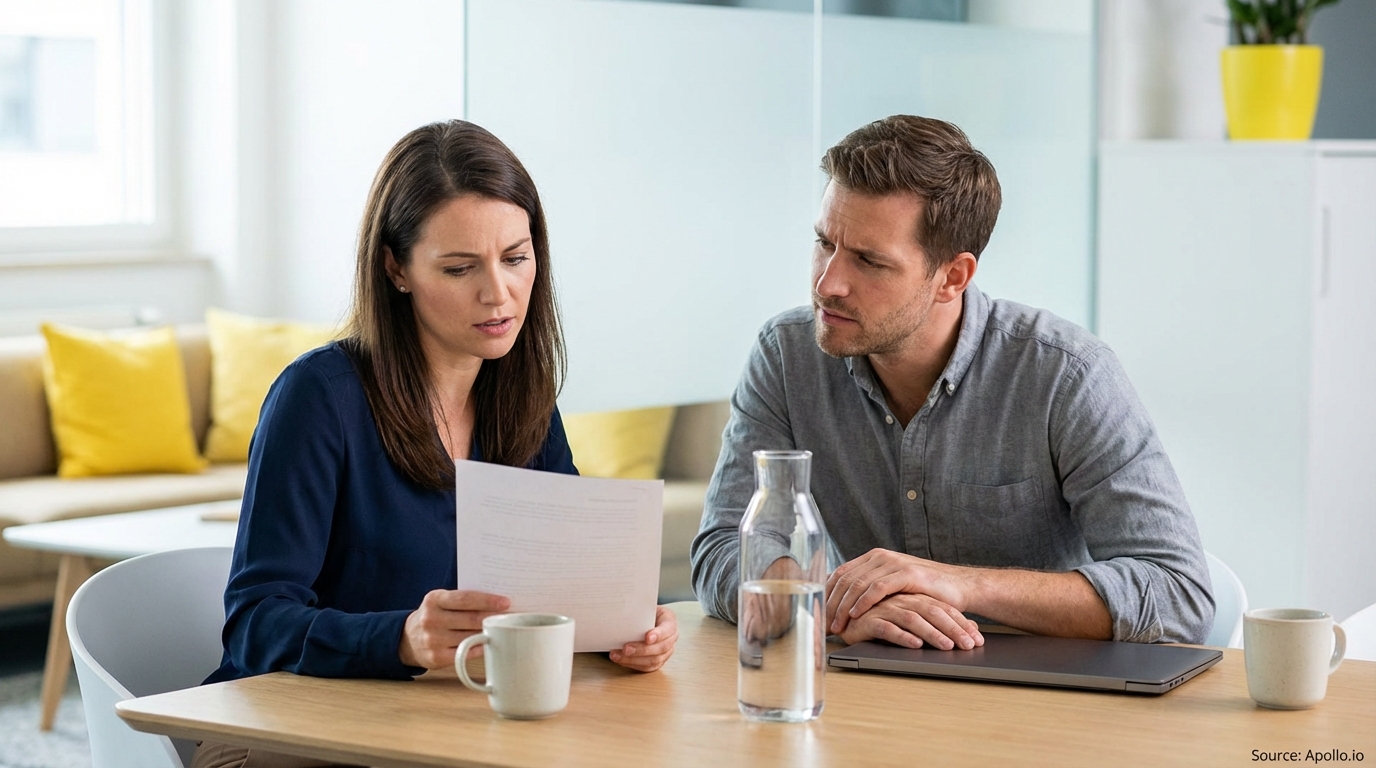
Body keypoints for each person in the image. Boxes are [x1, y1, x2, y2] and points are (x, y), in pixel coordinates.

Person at [193, 121, 676, 768]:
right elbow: (254, 625)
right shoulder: (319, 398)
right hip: (284, 732)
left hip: (439, 727)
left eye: (516, 257)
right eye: (459, 267)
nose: (498, 293)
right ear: (396, 268)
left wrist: (632, 625)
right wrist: (401, 639)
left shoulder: (524, 399)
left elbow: (568, 585)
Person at [691, 115, 1213, 652]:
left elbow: (1179, 595)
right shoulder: (787, 356)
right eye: (825, 243)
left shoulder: (1066, 375)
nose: (828, 284)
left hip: (1045, 703)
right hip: (869, 695)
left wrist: (960, 584)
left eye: (870, 261)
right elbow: (723, 549)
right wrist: (826, 605)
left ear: (953, 277)